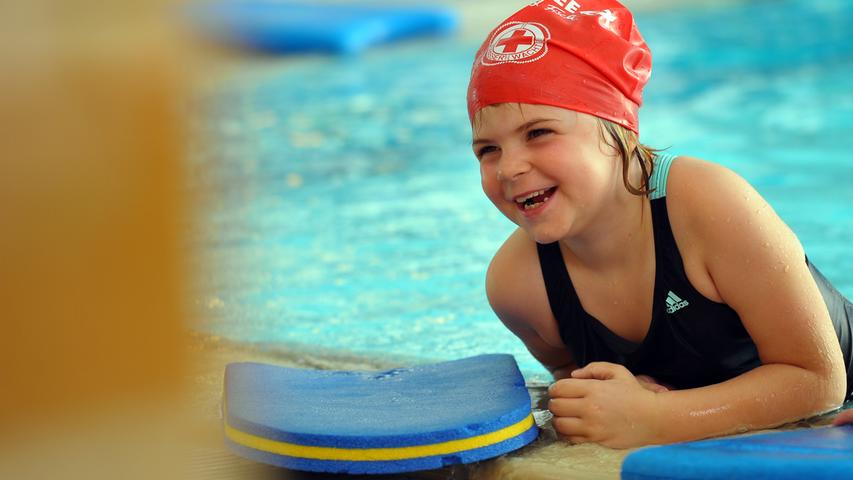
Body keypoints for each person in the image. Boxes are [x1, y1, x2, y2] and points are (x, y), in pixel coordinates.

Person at [466, 0, 853, 448]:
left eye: (539, 133)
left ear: (619, 131)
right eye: (486, 149)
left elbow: (819, 380)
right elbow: (574, 380)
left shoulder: (708, 206)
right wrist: (612, 398)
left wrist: (662, 417)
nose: (508, 167)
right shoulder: (517, 287)